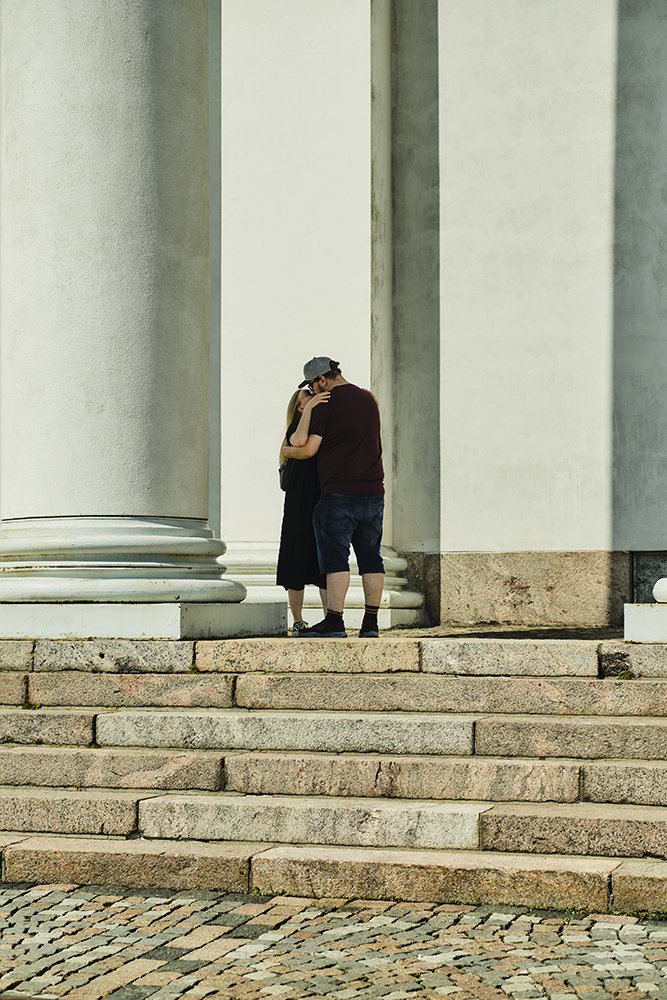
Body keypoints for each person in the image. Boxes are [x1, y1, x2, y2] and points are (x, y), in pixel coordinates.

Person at [280, 357, 385, 638]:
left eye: (313, 385)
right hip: (374, 492)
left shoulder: (327, 402)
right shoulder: (369, 399)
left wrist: (286, 451)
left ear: (322, 379)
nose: (314, 391)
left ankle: (335, 621)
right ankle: (371, 624)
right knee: (371, 559)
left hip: (339, 494)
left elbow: (307, 449)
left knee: (336, 560)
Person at [276, 387, 329, 634]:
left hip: (319, 500)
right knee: (295, 560)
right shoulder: (296, 427)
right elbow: (298, 441)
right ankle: (298, 620)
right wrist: (308, 410)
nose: (310, 394)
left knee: (324, 563)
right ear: (299, 407)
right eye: (305, 396)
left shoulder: (320, 424)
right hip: (298, 504)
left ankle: (330, 617)